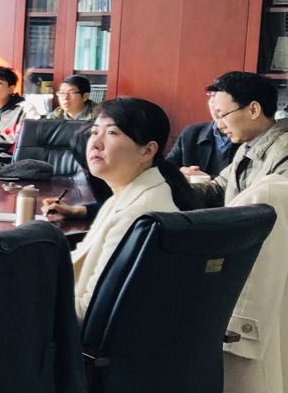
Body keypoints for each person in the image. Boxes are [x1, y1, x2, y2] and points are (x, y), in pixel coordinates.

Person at [53, 99, 195, 319]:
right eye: (94, 132)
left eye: (112, 133)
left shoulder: (138, 213)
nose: (95, 143)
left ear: (148, 151)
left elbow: (91, 311)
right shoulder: (124, 196)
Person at [186, 70, 288, 206]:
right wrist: (177, 187)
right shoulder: (248, 145)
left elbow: (287, 210)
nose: (219, 126)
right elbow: (219, 187)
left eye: (222, 115)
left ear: (253, 110)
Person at [167, 108, 238, 177]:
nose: (215, 104)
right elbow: (165, 168)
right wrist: (179, 173)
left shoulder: (244, 141)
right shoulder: (191, 133)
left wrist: (206, 180)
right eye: (211, 99)